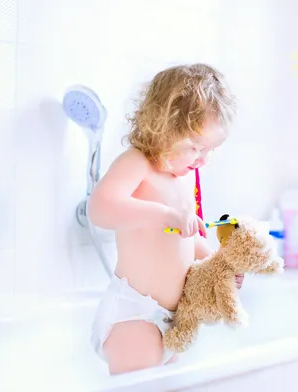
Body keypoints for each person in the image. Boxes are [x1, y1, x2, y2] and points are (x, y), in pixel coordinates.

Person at [87, 63, 243, 375]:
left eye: (210, 150)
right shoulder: (138, 163)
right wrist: (163, 214)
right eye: (195, 147)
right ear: (163, 127)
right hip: (135, 314)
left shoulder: (184, 177)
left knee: (167, 389)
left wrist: (217, 264)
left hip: (172, 319)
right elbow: (100, 208)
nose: (203, 159)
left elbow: (190, 236)